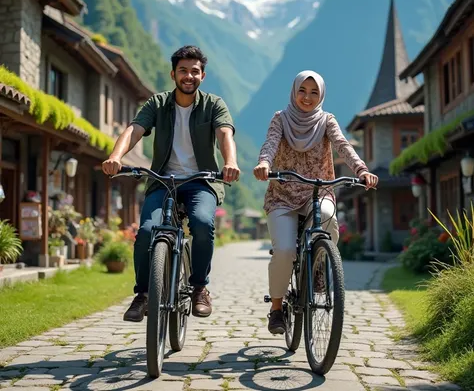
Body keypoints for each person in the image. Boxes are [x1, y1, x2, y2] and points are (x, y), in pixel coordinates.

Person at [102, 45, 240, 322]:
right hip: (163, 182)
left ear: (203, 75)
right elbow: (135, 130)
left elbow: (225, 133)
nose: (189, 76)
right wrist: (115, 156)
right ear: (173, 74)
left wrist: (230, 162)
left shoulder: (214, 104)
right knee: (145, 232)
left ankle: (200, 288)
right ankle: (142, 294)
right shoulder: (157, 103)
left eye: (195, 71)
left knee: (202, 223)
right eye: (183, 71)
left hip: (202, 182)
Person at [253, 70, 378, 335]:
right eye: (302, 91)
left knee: (328, 216)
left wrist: (361, 170)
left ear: (321, 95)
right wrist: (264, 162)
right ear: (294, 91)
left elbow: (343, 145)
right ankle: (276, 309)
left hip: (318, 191)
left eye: (314, 92)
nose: (307, 97)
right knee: (285, 250)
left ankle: (320, 263)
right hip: (283, 195)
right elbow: (271, 143)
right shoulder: (281, 119)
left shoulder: (326, 121)